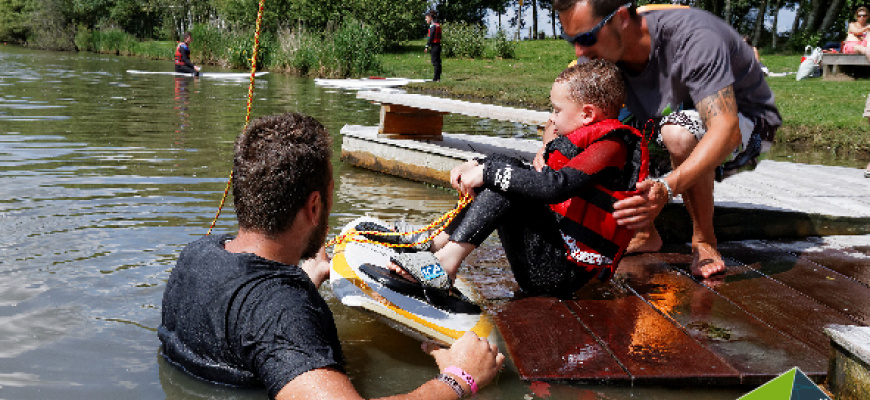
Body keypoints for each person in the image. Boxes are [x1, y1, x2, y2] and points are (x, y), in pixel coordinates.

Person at [159, 113, 504, 399]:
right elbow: (273, 324)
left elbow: (244, 330)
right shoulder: (281, 314)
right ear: (313, 206)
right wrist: (460, 379)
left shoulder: (198, 253)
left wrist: (307, 279)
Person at [372, 60, 647, 298]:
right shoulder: (589, 137)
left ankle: (443, 267)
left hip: (560, 274)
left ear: (587, 114)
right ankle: (434, 245)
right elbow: (525, 175)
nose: (551, 118)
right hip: (552, 256)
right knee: (507, 169)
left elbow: (554, 188)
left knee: (508, 183)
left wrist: (488, 172)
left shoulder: (612, 145)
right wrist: (481, 165)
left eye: (557, 110)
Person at [548, 0, 781, 278]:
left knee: (678, 133)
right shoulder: (605, 48)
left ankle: (704, 240)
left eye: (586, 38)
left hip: (742, 122)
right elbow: (572, 114)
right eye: (571, 40)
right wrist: (549, 151)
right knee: (602, 124)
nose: (579, 51)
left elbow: (725, 129)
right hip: (672, 113)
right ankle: (645, 232)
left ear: (621, 18)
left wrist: (666, 188)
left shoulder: (693, 39)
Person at [425, 10, 442, 82]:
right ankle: (438, 78)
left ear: (430, 18)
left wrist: (427, 46)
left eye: (426, 18)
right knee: (438, 62)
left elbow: (431, 37)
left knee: (435, 62)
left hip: (434, 46)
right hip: (438, 45)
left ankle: (435, 78)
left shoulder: (433, 26)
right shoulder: (438, 25)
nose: (426, 20)